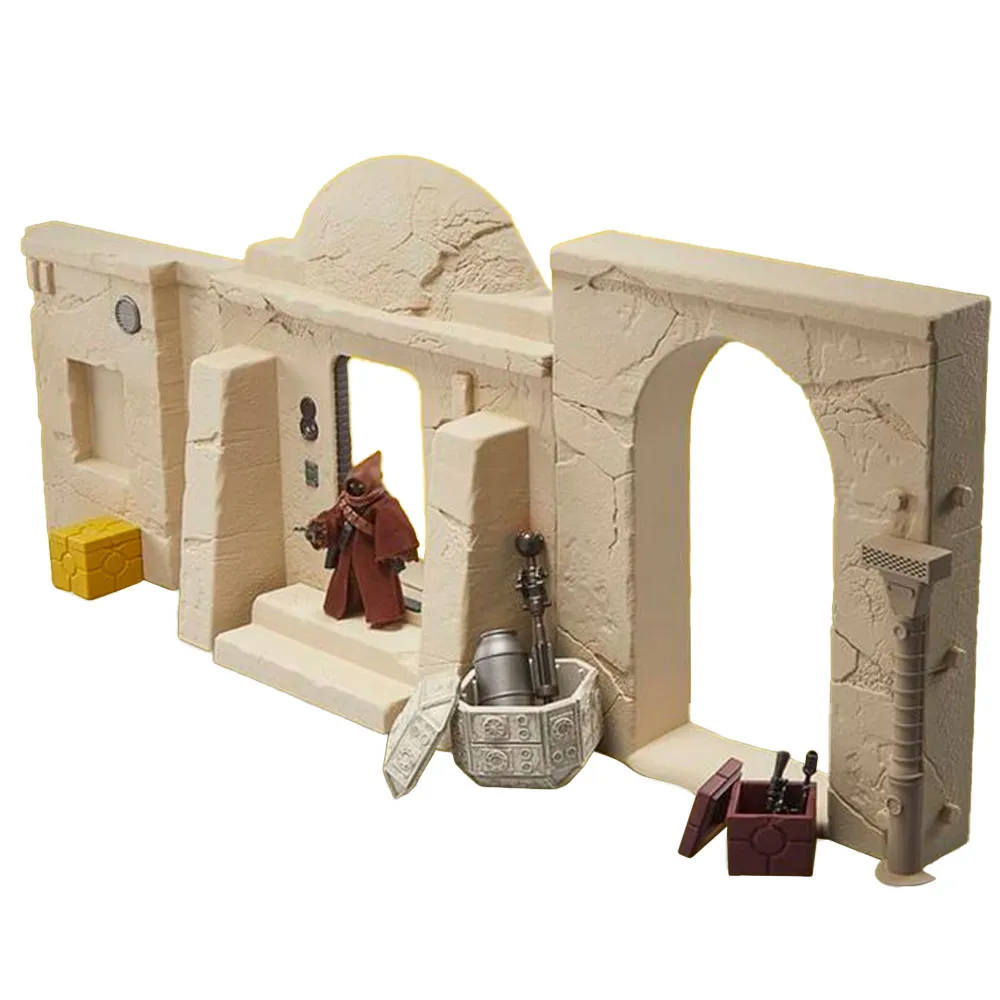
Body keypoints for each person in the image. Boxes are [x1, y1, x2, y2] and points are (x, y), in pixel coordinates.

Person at [305, 451, 419, 627]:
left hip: (371, 555)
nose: (355, 489)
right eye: (352, 485)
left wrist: (399, 549)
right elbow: (335, 517)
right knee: (346, 581)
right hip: (348, 551)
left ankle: (382, 616)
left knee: (377, 583)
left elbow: (396, 528)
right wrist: (321, 528)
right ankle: (350, 606)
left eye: (359, 485)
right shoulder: (346, 501)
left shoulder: (384, 504)